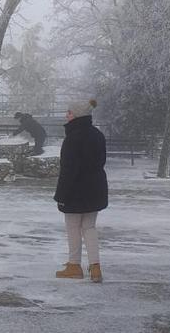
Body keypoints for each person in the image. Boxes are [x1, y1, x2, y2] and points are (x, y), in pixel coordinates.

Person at [54, 99, 107, 283]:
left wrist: (61, 195)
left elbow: (68, 169)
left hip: (75, 191)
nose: (66, 115)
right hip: (95, 189)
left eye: (69, 112)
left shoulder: (72, 137)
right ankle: (95, 267)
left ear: (77, 116)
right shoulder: (98, 135)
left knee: (73, 228)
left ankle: (74, 265)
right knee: (89, 228)